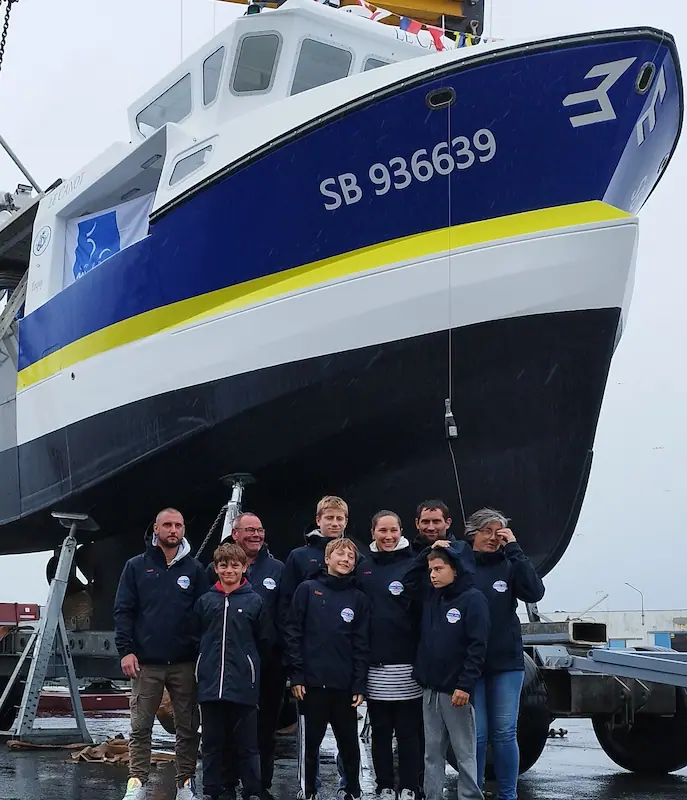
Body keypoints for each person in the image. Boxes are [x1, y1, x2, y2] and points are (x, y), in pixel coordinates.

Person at [114, 508, 209, 800]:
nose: (173, 530)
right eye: (167, 525)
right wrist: (126, 651)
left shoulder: (194, 570)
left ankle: (185, 784)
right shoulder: (136, 567)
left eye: (178, 525)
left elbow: (204, 613)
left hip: (183, 662)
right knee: (140, 725)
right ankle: (137, 783)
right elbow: (124, 611)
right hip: (146, 662)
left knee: (188, 727)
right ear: (155, 529)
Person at [464, 509, 545, 800]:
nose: (494, 537)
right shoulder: (461, 565)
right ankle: (472, 792)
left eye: (499, 532)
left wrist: (514, 548)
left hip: (506, 661)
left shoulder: (510, 564)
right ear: (473, 533)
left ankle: (507, 795)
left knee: (505, 732)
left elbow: (535, 592)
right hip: (471, 663)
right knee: (478, 733)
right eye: (487, 531)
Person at [284, 537, 370, 800]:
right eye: (340, 555)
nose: (345, 560)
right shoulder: (308, 590)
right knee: (311, 743)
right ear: (327, 559)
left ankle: (352, 790)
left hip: (343, 684)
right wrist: (296, 674)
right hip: (311, 683)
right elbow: (293, 633)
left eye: (350, 557)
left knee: (348, 742)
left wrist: (359, 683)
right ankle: (308, 790)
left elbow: (361, 643)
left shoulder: (358, 599)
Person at [207, 512, 285, 799]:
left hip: (267, 662)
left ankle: (259, 785)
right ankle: (225, 784)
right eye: (249, 530)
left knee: (264, 729)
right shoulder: (215, 569)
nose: (256, 535)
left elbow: (284, 613)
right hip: (228, 664)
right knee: (226, 729)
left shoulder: (277, 568)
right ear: (235, 533)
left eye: (260, 530)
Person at [278, 495, 351, 796]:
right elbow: (286, 610)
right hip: (309, 663)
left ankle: (351, 784)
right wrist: (293, 661)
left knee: (347, 735)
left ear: (346, 522)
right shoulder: (299, 557)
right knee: (311, 734)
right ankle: (309, 787)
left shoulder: (352, 554)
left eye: (340, 519)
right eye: (329, 518)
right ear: (318, 519)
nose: (334, 524)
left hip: (343, 664)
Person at [412, 540, 489, 800]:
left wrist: (465, 685)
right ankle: (433, 796)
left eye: (438, 569)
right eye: (430, 570)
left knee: (464, 752)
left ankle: (469, 796)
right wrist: (426, 551)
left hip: (456, 690)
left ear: (455, 569)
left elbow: (477, 647)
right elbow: (407, 582)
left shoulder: (473, 599)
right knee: (432, 752)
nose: (433, 575)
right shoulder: (432, 597)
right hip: (431, 688)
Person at [194, 542, 272, 800]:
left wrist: (252, 669)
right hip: (211, 683)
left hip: (242, 684)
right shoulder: (206, 601)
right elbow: (196, 635)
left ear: (244, 567)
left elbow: (264, 640)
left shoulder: (254, 601)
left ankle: (252, 790)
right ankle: (214, 790)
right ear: (216, 568)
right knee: (213, 743)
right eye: (224, 565)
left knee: (247, 745)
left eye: (235, 565)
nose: (229, 570)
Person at [357, 511, 423, 800]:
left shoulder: (414, 563)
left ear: (401, 531)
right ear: (372, 532)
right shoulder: (363, 567)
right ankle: (384, 785)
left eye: (393, 530)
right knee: (380, 732)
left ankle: (410, 785)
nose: (388, 536)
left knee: (409, 733)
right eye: (382, 530)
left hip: (407, 664)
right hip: (376, 665)